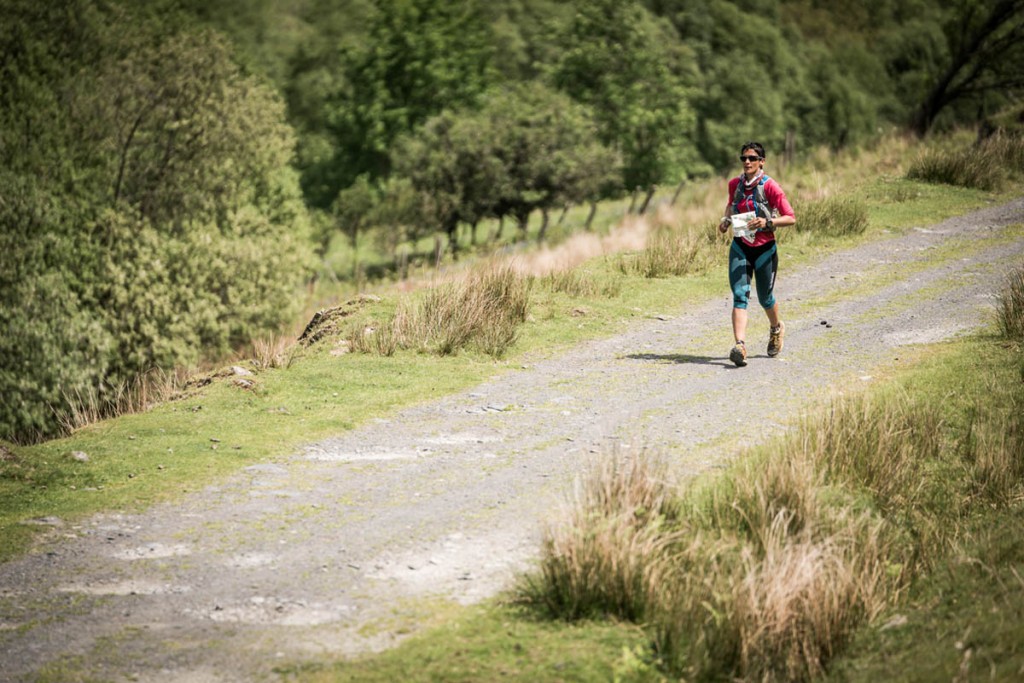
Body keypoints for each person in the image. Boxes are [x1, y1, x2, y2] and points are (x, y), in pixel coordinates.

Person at [717, 141, 796, 367]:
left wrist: (767, 221)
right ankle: (740, 346)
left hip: (764, 249)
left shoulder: (771, 187)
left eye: (752, 158)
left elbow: (790, 217)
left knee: (765, 298)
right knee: (740, 295)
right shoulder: (735, 184)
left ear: (762, 161)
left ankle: (776, 328)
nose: (747, 162)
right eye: (744, 159)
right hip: (740, 246)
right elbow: (731, 205)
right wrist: (725, 221)